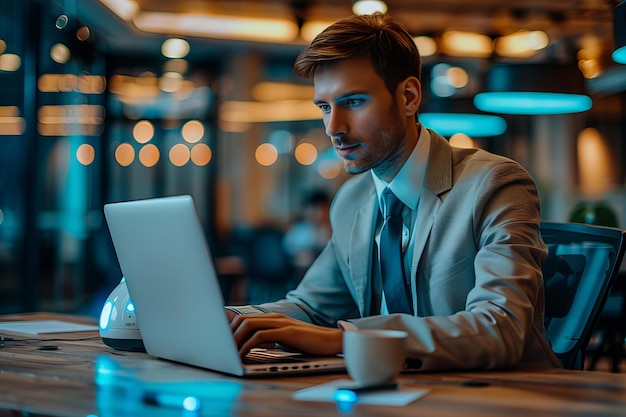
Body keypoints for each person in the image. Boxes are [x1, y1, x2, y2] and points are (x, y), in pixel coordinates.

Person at [226, 13, 560, 371]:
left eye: (353, 102)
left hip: (501, 397)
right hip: (392, 392)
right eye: (325, 107)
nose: (333, 128)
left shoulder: (495, 184)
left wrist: (346, 339)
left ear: (409, 97)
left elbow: (500, 329)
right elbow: (310, 307)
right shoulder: (351, 201)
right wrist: (226, 318)